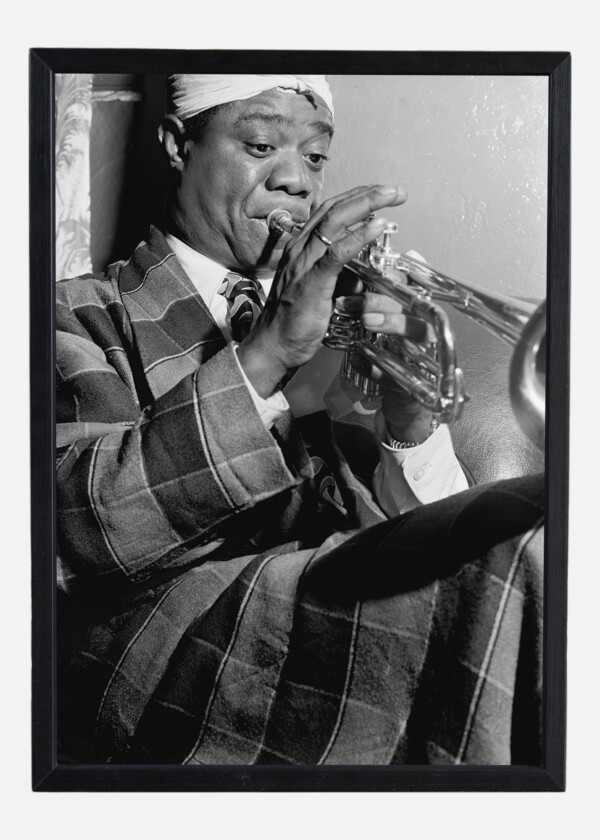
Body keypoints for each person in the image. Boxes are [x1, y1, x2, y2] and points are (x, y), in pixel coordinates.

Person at [56, 74, 544, 765]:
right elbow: (70, 530)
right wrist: (267, 352)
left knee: (537, 522)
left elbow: (420, 539)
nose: (295, 180)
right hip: (171, 655)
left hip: (337, 624)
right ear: (176, 145)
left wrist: (409, 423)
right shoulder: (77, 312)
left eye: (315, 157)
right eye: (260, 144)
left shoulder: (338, 324)